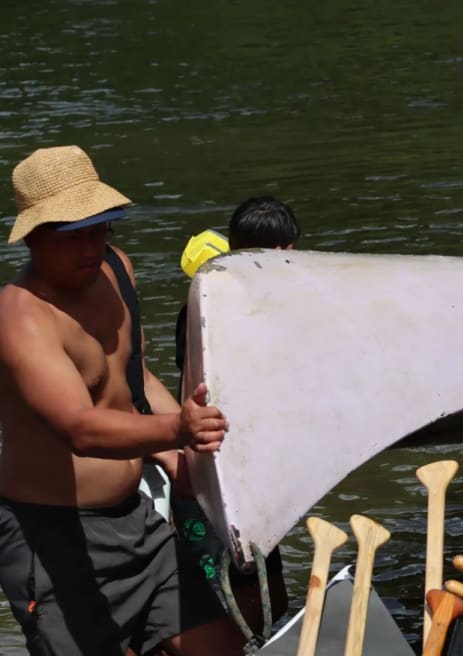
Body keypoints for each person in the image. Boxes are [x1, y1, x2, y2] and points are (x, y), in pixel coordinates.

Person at [0, 145, 245, 655]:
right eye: (73, 235)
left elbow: (132, 382)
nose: (91, 246)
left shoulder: (115, 270)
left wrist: (174, 454)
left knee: (222, 645)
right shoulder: (21, 316)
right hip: (53, 540)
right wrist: (177, 430)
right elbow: (81, 428)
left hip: (136, 521)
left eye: (100, 228)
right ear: (34, 238)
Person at [170, 196, 300, 636]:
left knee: (271, 598)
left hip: (249, 470)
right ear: (280, 252)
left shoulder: (259, 302)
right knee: (232, 605)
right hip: (220, 472)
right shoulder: (210, 308)